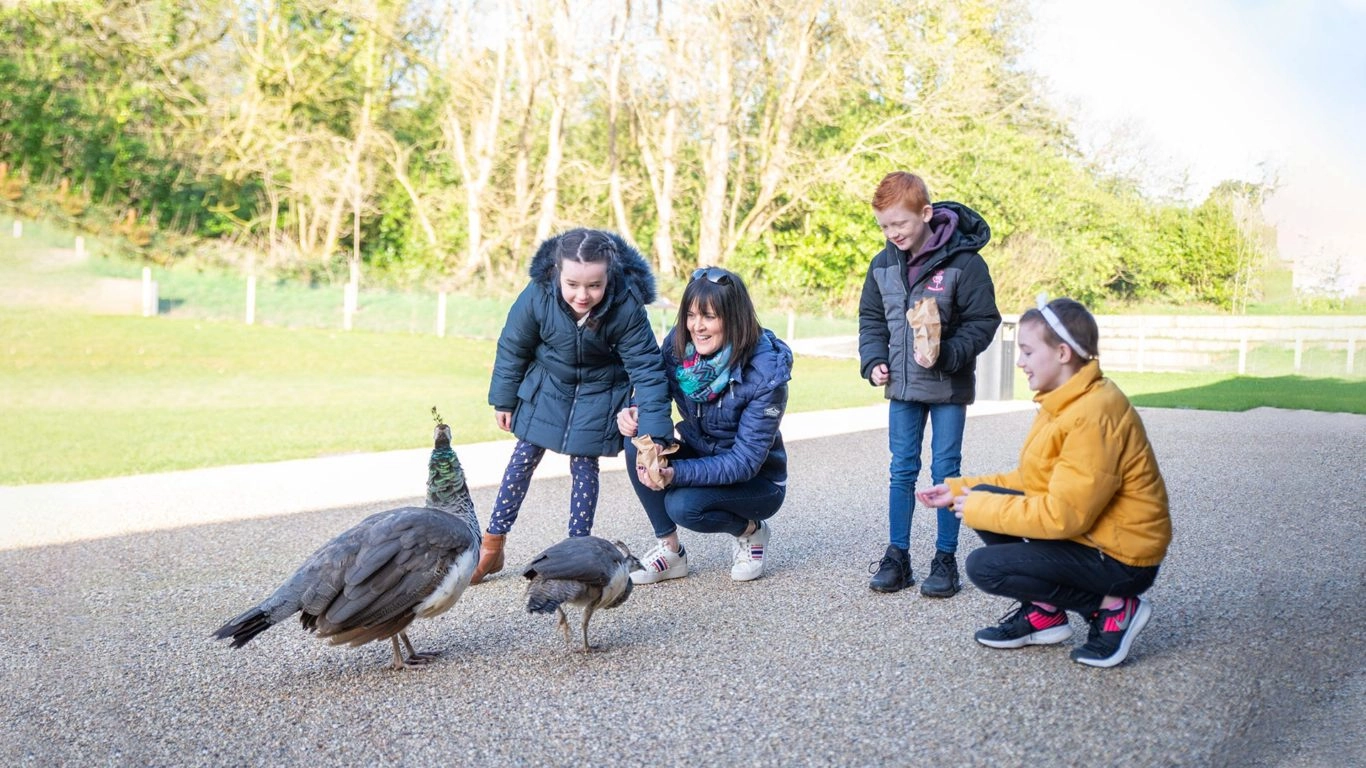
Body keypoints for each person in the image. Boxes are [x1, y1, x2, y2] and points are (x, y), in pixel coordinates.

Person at [917, 297, 1171, 668]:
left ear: (1063, 353)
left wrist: (979, 505)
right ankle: (1045, 614)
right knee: (980, 500)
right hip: (1093, 538)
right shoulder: (1066, 400)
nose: (1020, 361)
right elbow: (1033, 481)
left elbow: (1065, 516)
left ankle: (1114, 608)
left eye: (1028, 351)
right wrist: (960, 490)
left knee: (985, 566)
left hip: (1122, 558)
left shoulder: (1092, 414)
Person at [474, 228, 674, 583]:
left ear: (609, 275)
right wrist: (503, 398)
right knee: (521, 462)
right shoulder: (538, 294)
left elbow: (646, 367)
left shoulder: (626, 305)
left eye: (594, 286)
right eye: (573, 284)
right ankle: (492, 545)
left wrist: (654, 429)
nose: (582, 295)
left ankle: (575, 553)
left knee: (584, 469)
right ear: (557, 273)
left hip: (600, 394)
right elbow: (513, 346)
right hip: (548, 388)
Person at [858, 171, 1001, 597]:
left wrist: (950, 353)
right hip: (902, 389)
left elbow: (984, 322)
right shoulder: (882, 264)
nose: (892, 233)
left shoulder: (965, 263)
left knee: (945, 471)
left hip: (947, 389)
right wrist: (874, 361)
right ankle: (897, 556)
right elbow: (870, 319)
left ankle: (945, 559)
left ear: (926, 213)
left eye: (899, 224)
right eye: (884, 225)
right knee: (901, 470)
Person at [617, 266, 792, 583]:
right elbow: (653, 389)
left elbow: (744, 462)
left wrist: (675, 474)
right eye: (691, 315)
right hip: (701, 451)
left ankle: (752, 532)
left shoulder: (766, 374)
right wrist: (634, 409)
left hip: (757, 480)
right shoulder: (678, 346)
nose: (697, 326)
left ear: (734, 318)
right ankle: (670, 553)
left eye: (709, 317)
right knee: (638, 444)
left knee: (683, 505)